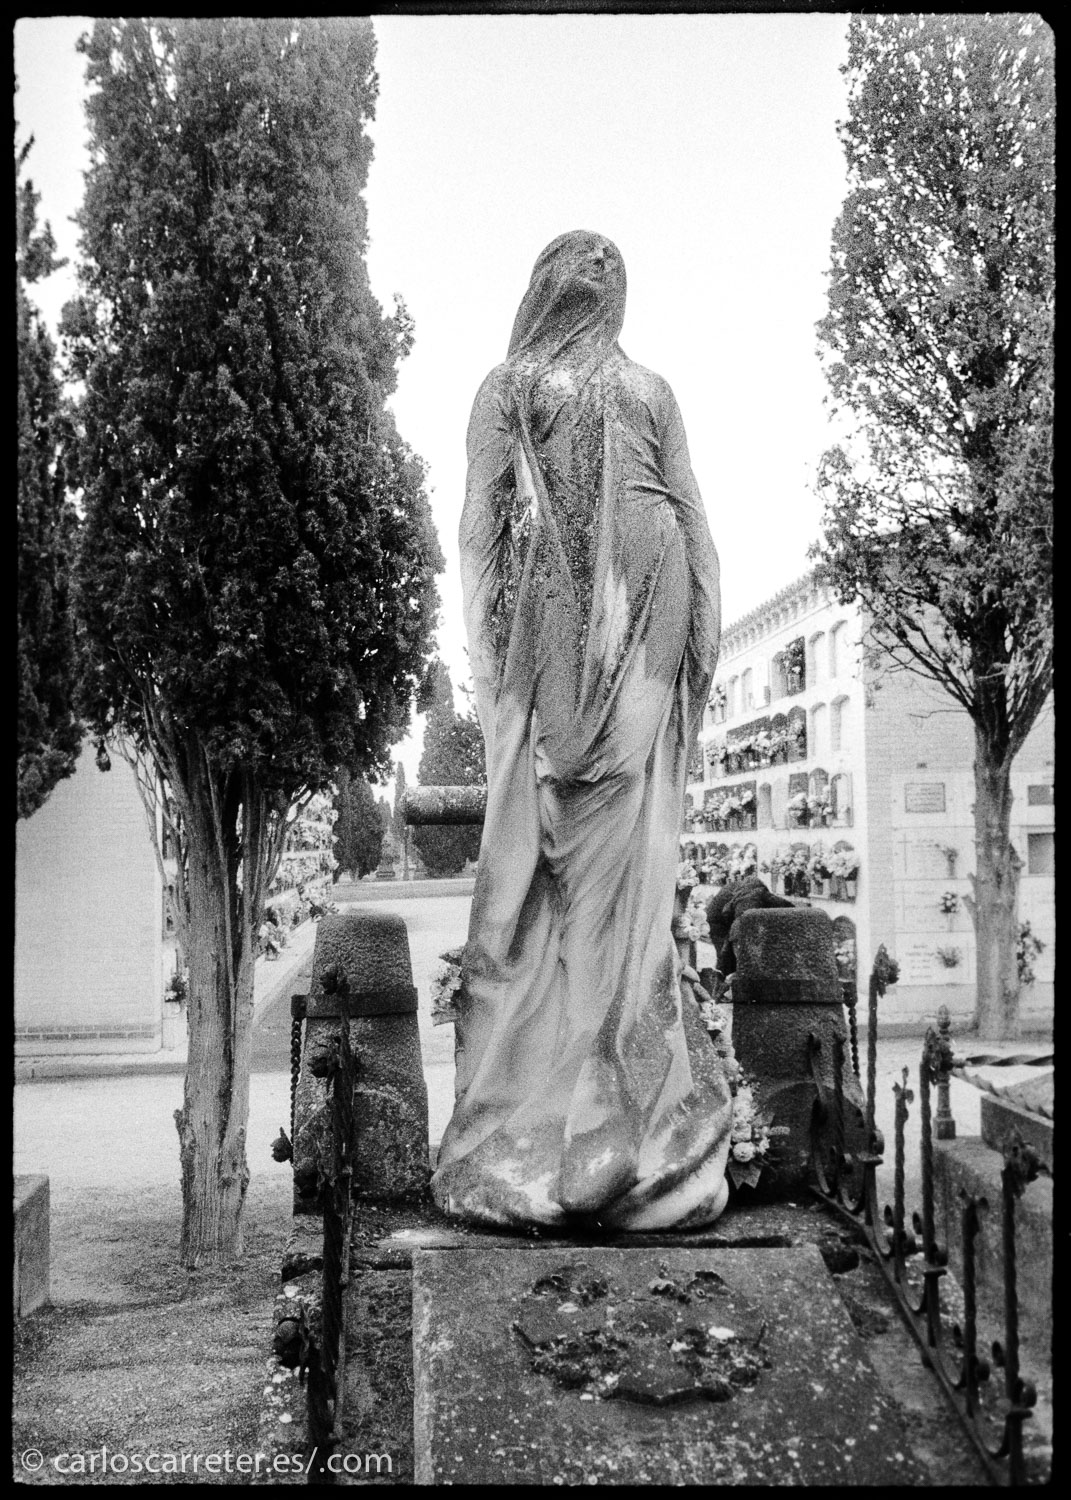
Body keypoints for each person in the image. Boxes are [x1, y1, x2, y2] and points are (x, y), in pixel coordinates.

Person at [431, 231, 732, 1231]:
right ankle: (603, 1109)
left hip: (601, 617)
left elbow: (477, 531)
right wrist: (702, 648)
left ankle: (597, 1114)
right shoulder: (634, 389)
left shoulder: (512, 387)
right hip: (631, 607)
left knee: (578, 862)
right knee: (611, 864)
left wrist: (489, 674)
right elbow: (694, 522)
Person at [705, 869, 796, 986]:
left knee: (729, 956)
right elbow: (733, 917)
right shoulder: (753, 897)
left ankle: (728, 985)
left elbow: (784, 905)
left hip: (722, 917)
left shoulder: (753, 893)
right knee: (727, 955)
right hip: (718, 921)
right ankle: (724, 987)